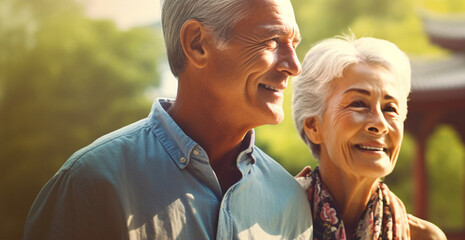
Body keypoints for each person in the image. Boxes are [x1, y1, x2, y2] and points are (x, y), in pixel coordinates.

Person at [24, 0, 312, 239]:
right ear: (197, 43)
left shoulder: (290, 202)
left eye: (293, 44)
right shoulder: (90, 186)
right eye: (273, 41)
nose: (294, 66)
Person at [292, 36, 446, 240]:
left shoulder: (423, 237)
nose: (380, 124)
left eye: (390, 108)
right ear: (313, 126)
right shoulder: (268, 222)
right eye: (358, 104)